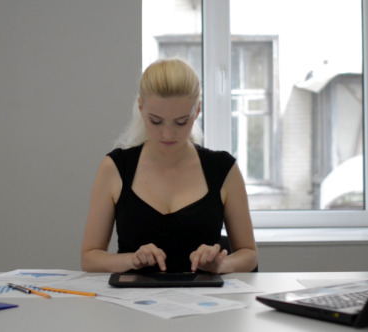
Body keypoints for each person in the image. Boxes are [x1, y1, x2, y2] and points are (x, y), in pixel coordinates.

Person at [80, 58, 258, 273]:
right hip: (131, 302)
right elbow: (90, 258)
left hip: (206, 303)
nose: (167, 134)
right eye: (156, 121)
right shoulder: (115, 167)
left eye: (181, 122)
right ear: (140, 107)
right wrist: (132, 260)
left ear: (197, 111)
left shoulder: (223, 169)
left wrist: (221, 264)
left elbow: (249, 254)